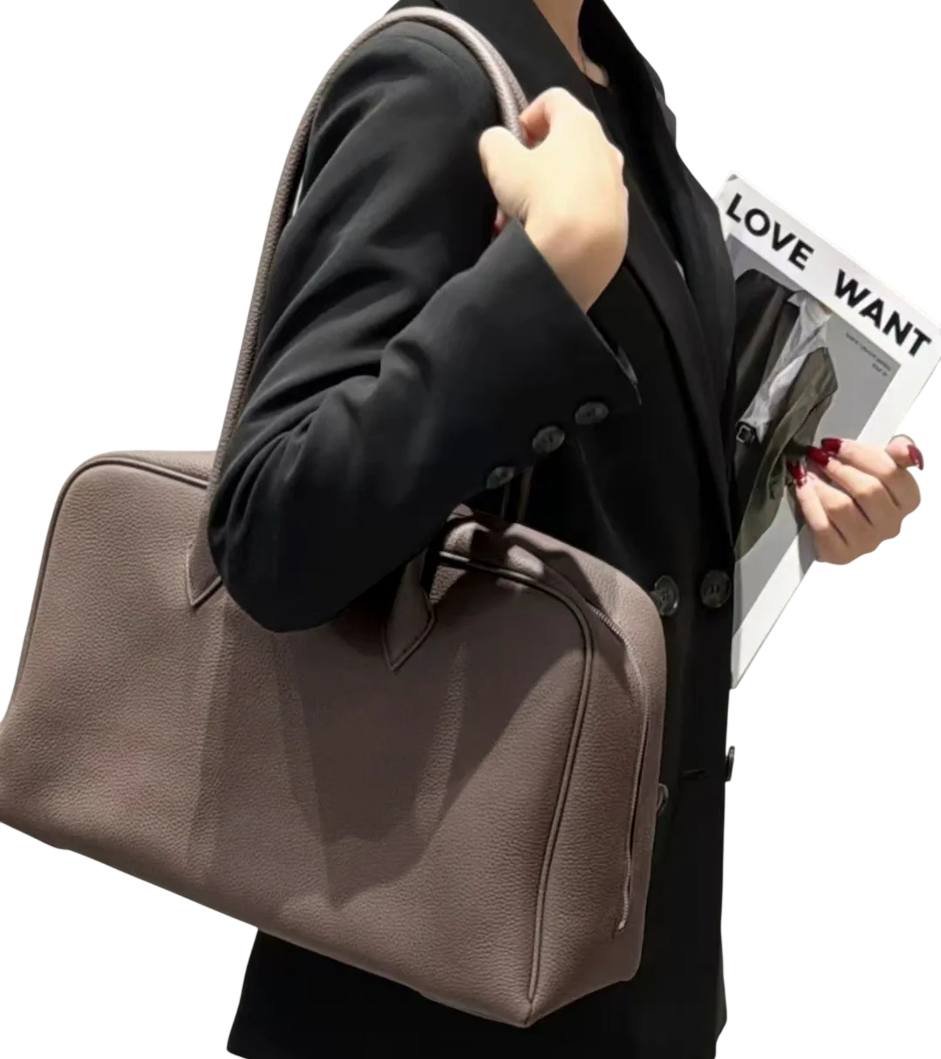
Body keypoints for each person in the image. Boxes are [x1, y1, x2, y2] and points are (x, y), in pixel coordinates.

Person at [206, 0, 924, 1055]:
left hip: (626, 961)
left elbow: (609, 484)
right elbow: (273, 528)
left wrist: (797, 498)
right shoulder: (435, 81)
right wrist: (547, 273)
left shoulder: (622, 92)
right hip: (424, 974)